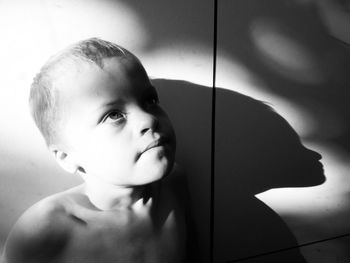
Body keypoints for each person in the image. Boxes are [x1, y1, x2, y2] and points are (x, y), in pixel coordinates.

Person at [1, 38, 194, 263]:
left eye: (150, 100)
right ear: (66, 157)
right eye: (113, 115)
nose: (148, 119)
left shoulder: (174, 184)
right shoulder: (44, 229)